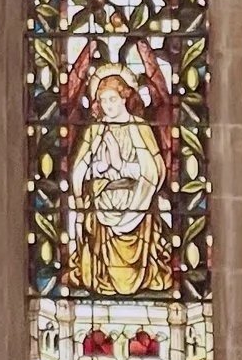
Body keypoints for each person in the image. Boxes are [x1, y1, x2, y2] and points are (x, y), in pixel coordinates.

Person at [60, 47, 177, 297]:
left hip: (136, 204)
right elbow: (80, 170)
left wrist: (122, 166)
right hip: (103, 207)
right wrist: (100, 168)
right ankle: (97, 275)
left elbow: (153, 171)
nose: (108, 105)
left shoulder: (139, 128)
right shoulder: (94, 131)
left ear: (125, 97)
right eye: (102, 101)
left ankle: (147, 272)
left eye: (112, 99)